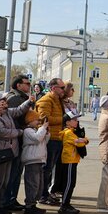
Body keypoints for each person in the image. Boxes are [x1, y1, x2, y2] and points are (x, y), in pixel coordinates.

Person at [0, 91, 32, 214]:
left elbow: (18, 110)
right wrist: (19, 132)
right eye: (3, 100)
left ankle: (0, 205)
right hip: (0, 152)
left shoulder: (6, 112)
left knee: (5, 181)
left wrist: (28, 102)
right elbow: (1, 132)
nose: (6, 102)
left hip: (9, 152)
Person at [3, 74, 33, 212]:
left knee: (16, 173)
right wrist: (26, 128)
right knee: (12, 174)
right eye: (27, 83)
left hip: (20, 138)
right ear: (18, 85)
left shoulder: (21, 97)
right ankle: (7, 201)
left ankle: (11, 199)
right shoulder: (14, 98)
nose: (29, 85)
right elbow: (16, 118)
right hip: (16, 140)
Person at [35, 77, 66, 205]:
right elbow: (44, 119)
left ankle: (46, 193)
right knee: (46, 169)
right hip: (50, 139)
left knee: (50, 168)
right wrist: (64, 118)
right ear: (54, 88)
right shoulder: (46, 100)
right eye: (62, 88)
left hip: (57, 137)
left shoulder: (58, 100)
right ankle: (42, 195)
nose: (64, 90)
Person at [58, 110, 87, 214]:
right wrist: (83, 140)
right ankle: (64, 205)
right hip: (69, 160)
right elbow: (80, 143)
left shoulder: (71, 132)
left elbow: (82, 141)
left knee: (70, 183)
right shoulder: (69, 133)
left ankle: (66, 203)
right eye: (74, 120)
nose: (77, 122)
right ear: (67, 122)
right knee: (69, 184)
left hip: (72, 160)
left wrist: (82, 140)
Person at [20, 110, 49, 214]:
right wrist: (43, 128)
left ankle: (33, 204)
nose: (39, 122)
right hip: (32, 161)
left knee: (39, 184)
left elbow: (44, 140)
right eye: (37, 120)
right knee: (33, 183)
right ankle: (29, 205)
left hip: (39, 159)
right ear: (30, 120)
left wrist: (46, 132)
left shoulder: (36, 130)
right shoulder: (28, 131)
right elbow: (37, 139)